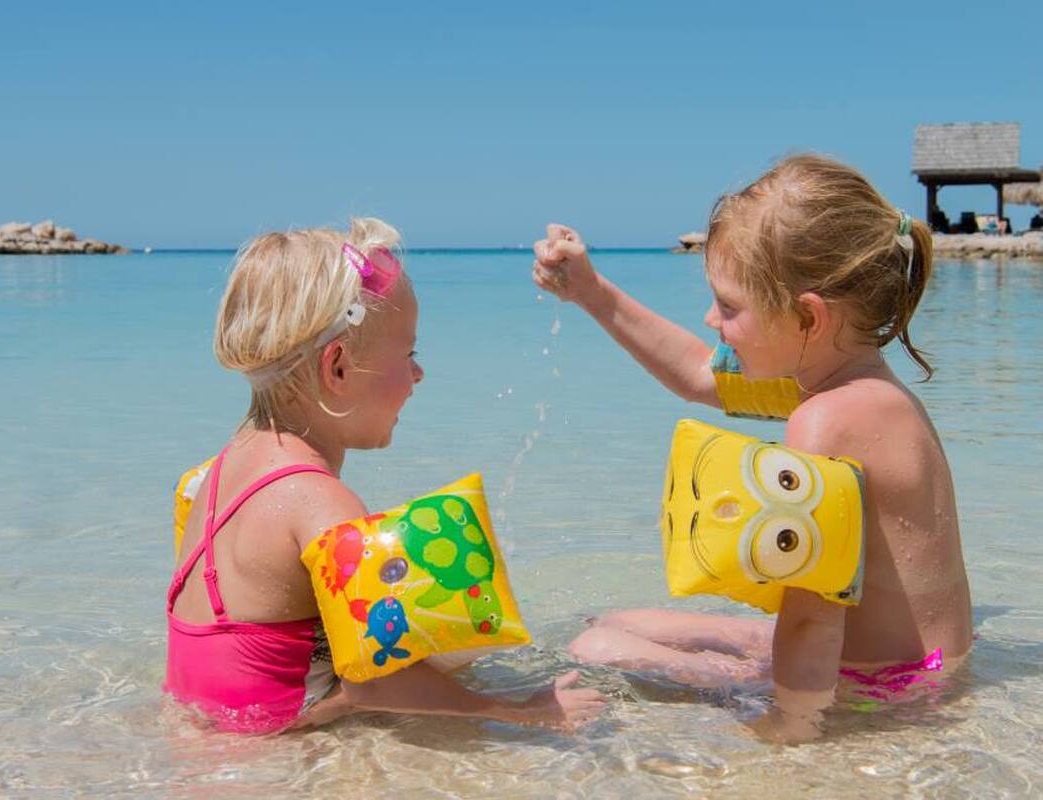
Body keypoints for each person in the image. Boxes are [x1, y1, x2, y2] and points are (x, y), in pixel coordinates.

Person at [531, 155, 972, 741]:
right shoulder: (857, 387)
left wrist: (786, 728)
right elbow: (696, 374)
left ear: (807, 317)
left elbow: (814, 617)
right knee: (623, 621)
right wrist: (590, 292)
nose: (711, 319)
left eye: (730, 306)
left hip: (883, 688)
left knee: (598, 645)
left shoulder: (822, 422)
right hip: (920, 664)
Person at [164, 218, 605, 734]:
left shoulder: (215, 475)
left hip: (206, 733)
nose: (419, 374)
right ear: (340, 368)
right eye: (409, 354)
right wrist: (519, 711)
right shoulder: (318, 502)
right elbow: (373, 682)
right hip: (273, 749)